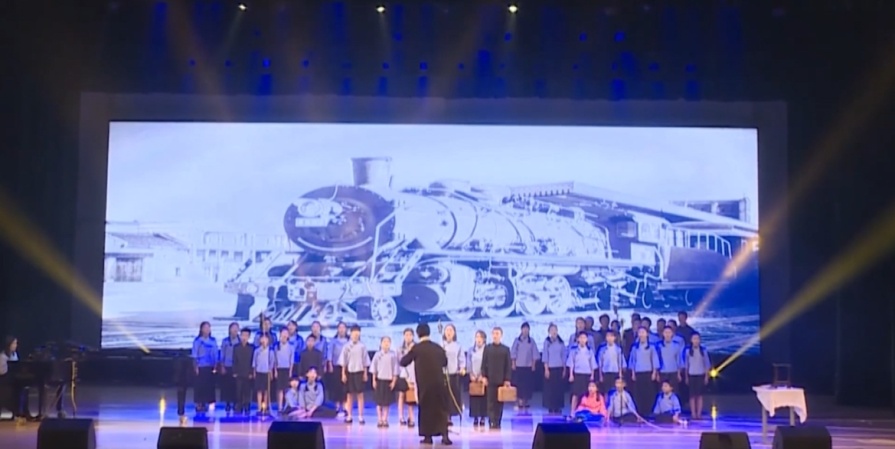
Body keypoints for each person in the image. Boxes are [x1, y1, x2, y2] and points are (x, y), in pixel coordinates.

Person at [399, 323, 452, 445]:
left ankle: (428, 436)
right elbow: (444, 362)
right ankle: (445, 435)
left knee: (426, 409)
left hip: (424, 385)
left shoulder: (416, 348)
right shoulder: (438, 347)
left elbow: (403, 362)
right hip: (439, 383)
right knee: (441, 409)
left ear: (418, 334)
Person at [481, 327, 512, 430]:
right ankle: (491, 421)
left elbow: (508, 366)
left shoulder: (505, 349)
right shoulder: (487, 348)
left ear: (501, 335)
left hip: (501, 380)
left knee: (499, 402)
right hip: (490, 379)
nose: (495, 335)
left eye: (497, 333)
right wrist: (484, 376)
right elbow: (483, 364)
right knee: (490, 402)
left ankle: (498, 421)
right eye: (494, 333)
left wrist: (507, 379)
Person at [340, 324, 370, 424]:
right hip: (349, 372)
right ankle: (349, 416)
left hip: (359, 372)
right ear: (351, 333)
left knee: (360, 394)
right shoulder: (346, 346)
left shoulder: (362, 346)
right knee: (349, 395)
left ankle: (361, 416)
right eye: (354, 333)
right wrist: (343, 374)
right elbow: (343, 362)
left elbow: (365, 361)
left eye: (357, 333)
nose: (356, 335)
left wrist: (365, 373)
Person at [628, 328, 660, 417]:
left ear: (647, 334)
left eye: (643, 332)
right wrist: (633, 373)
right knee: (639, 393)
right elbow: (633, 361)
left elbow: (654, 360)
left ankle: (649, 411)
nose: (641, 334)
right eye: (640, 333)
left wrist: (654, 372)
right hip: (638, 373)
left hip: (648, 372)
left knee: (649, 393)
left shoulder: (651, 347)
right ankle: (640, 412)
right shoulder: (635, 348)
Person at [510, 322, 539, 412]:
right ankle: (519, 401)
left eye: (527, 329)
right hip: (519, 366)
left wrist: (533, 364)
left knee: (527, 385)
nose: (525, 331)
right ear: (521, 330)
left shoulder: (532, 341)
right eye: (524, 329)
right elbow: (513, 353)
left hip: (528, 366)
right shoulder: (517, 340)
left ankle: (525, 401)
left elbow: (535, 353)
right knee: (519, 385)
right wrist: (513, 363)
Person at [370, 336, 398, 427]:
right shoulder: (377, 355)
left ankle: (385, 419)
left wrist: (394, 381)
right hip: (379, 380)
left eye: (388, 342)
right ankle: (379, 419)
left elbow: (395, 369)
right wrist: (373, 380)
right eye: (384, 342)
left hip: (388, 381)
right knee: (379, 402)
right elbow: (374, 368)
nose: (386, 343)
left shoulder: (393, 355)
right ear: (381, 343)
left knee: (386, 402)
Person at [682, 332, 711, 419]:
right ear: (691, 340)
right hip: (691, 375)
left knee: (699, 395)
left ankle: (699, 413)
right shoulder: (688, 351)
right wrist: (686, 377)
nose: (696, 341)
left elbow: (707, 364)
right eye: (694, 339)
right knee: (692, 396)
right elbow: (686, 365)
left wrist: (706, 376)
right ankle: (693, 413)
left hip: (700, 375)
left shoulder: (703, 351)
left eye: (697, 339)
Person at [566, 331, 595, 416]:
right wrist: (571, 375)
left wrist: (592, 375)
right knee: (575, 394)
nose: (582, 340)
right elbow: (571, 363)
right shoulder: (574, 350)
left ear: (587, 340)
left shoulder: (589, 351)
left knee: (586, 394)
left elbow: (592, 364)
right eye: (581, 338)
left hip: (587, 374)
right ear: (578, 339)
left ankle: (587, 412)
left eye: (584, 338)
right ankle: (572, 411)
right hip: (577, 374)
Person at [191, 321, 218, 414]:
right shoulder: (197, 341)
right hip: (200, 367)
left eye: (208, 328)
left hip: (210, 366)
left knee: (209, 386)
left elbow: (215, 353)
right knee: (200, 386)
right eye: (205, 328)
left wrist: (216, 365)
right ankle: (199, 403)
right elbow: (194, 355)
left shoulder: (213, 341)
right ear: (201, 329)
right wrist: (195, 367)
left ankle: (208, 403)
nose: (207, 329)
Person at [441, 324, 465, 425]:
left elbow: (461, 359)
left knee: (452, 396)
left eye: (451, 330)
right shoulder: (441, 345)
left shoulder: (458, 346)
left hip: (453, 374)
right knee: (443, 396)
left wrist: (462, 368)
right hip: (442, 374)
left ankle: (450, 416)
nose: (449, 332)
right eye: (447, 330)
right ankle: (444, 416)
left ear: (454, 333)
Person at [542, 324, 567, 414]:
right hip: (550, 368)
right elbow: (545, 355)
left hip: (559, 368)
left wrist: (564, 369)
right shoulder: (547, 342)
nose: (554, 331)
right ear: (549, 332)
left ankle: (558, 406)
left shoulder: (561, 342)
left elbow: (563, 356)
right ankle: (551, 406)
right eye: (552, 330)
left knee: (558, 389)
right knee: (550, 389)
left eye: (555, 330)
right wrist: (546, 369)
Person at [326, 322, 350, 416]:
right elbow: (330, 353)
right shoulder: (333, 341)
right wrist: (330, 364)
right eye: (340, 328)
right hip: (335, 366)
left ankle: (345, 407)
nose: (341, 329)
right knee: (336, 386)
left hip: (347, 367)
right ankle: (337, 406)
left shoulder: (349, 341)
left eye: (343, 327)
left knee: (345, 387)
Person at [395, 328, 417, 427]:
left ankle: (411, 417)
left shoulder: (416, 348)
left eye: (410, 335)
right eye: (406, 335)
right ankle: (401, 417)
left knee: (411, 397)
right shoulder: (400, 349)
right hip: (403, 375)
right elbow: (397, 362)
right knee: (401, 395)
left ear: (413, 336)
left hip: (413, 375)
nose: (408, 337)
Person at [466, 330, 488, 426]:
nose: (478, 339)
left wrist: (482, 375)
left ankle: (483, 417)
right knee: (474, 398)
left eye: (480, 337)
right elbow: (468, 363)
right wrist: (471, 374)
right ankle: (475, 417)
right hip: (473, 376)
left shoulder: (487, 350)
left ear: (484, 339)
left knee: (483, 397)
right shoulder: (471, 350)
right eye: (477, 337)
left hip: (482, 377)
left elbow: (487, 363)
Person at [231, 328, 255, 415]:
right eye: (243, 335)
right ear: (240, 336)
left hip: (248, 373)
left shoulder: (252, 348)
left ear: (249, 337)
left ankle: (247, 405)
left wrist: (251, 372)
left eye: (246, 336)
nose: (244, 337)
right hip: (238, 372)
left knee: (247, 390)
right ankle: (239, 405)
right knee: (238, 390)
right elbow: (234, 360)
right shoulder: (236, 347)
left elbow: (253, 361)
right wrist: (234, 371)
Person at [218, 322, 241, 413]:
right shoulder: (225, 341)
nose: (235, 330)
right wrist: (222, 366)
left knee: (236, 386)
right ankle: (227, 403)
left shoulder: (240, 341)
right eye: (233, 328)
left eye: (236, 328)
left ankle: (236, 403)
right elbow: (222, 354)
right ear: (230, 330)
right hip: (227, 366)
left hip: (237, 367)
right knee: (227, 386)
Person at [253, 333, 275, 415]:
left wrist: (271, 373)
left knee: (266, 391)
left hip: (267, 373)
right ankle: (259, 408)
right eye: (262, 338)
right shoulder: (257, 351)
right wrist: (254, 372)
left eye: (266, 339)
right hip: (259, 372)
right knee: (259, 390)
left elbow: (272, 363)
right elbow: (254, 362)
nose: (264, 340)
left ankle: (265, 408)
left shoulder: (270, 351)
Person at [275, 328, 295, 413]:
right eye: (283, 333)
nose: (284, 335)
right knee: (279, 388)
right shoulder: (276, 346)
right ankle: (279, 406)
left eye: (286, 333)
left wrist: (290, 371)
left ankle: (287, 406)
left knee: (287, 389)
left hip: (287, 369)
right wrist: (275, 370)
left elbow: (291, 360)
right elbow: (275, 360)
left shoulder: (291, 347)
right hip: (279, 369)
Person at [657, 327, 684, 392]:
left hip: (673, 372)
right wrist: (657, 374)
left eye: (669, 332)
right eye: (666, 332)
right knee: (662, 391)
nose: (667, 334)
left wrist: (679, 373)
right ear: (663, 334)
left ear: (672, 333)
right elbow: (657, 360)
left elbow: (678, 360)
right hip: (662, 372)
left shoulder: (676, 345)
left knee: (674, 391)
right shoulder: (658, 345)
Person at [0, 337, 20, 419]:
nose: (16, 345)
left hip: (13, 379)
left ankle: (20, 411)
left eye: (16, 343)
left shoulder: (14, 354)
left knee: (20, 389)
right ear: (9, 345)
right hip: (3, 380)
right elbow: (2, 371)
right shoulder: (2, 356)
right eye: (14, 343)